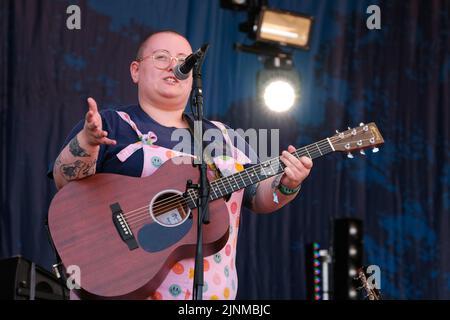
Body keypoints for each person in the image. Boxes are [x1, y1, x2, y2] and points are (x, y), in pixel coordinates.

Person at [50, 31, 313, 300]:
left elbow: (259, 197)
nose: (173, 65)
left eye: (182, 59)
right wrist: (86, 141)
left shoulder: (225, 137)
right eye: (161, 57)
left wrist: (289, 185)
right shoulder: (113, 124)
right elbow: (65, 181)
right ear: (135, 70)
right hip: (122, 288)